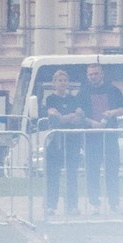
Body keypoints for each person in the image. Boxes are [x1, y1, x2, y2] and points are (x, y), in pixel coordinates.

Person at [76, 62, 123, 215]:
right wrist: (91, 123)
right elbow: (78, 113)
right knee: (92, 172)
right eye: (90, 74)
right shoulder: (83, 92)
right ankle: (94, 205)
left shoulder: (113, 90)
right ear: (87, 76)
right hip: (91, 139)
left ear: (102, 74)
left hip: (110, 137)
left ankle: (114, 204)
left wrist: (112, 113)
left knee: (112, 171)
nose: (93, 77)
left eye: (95, 73)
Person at [36, 69, 86, 217]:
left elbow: (80, 115)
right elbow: (55, 116)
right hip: (56, 142)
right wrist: (68, 117)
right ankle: (50, 206)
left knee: (72, 175)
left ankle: (72, 206)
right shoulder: (50, 99)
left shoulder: (74, 99)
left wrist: (66, 117)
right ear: (54, 83)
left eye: (65, 80)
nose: (62, 83)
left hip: (72, 141)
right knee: (53, 175)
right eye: (59, 80)